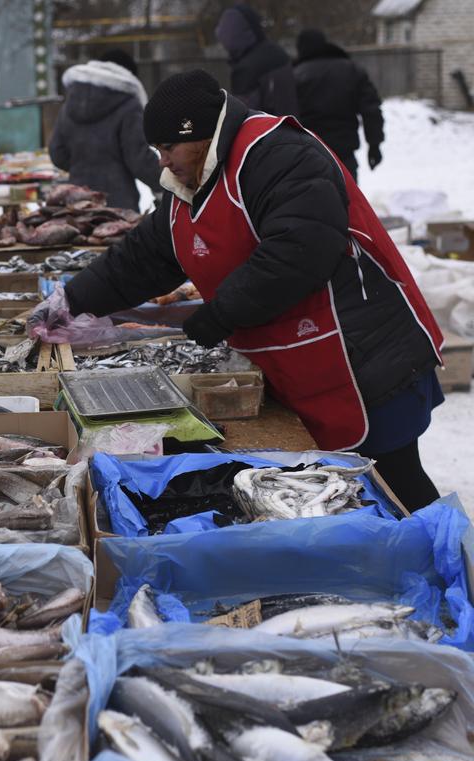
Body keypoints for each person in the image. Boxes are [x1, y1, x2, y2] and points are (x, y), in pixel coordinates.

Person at [39, 70, 444, 511]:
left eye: (167, 148)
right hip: (305, 362)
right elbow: (144, 257)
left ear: (199, 135)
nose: (162, 161)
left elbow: (300, 249)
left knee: (396, 481)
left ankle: (451, 569)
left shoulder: (278, 153)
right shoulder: (190, 185)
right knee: (344, 493)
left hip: (368, 358)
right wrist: (73, 299)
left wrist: (219, 315)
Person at [49, 56, 162, 211]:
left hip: (76, 201)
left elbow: (57, 153)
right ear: (128, 76)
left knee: (81, 234)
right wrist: (164, 185)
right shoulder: (128, 104)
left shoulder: (70, 104)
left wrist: (82, 168)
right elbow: (139, 158)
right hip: (118, 203)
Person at [294, 28, 385, 180]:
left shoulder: (295, 75)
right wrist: (374, 144)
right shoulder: (351, 70)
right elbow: (371, 110)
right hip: (345, 154)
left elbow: (285, 113)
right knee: (349, 199)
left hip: (308, 152)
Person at [215, 3, 299, 116]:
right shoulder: (277, 52)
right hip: (293, 127)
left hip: (268, 131)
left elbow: (244, 116)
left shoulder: (246, 68)